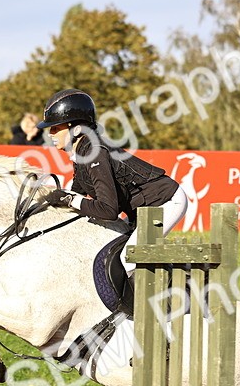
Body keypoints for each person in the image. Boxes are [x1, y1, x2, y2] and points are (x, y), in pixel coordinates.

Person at [36, 88, 186, 278]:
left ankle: (144, 307)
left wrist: (68, 199)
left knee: (127, 260)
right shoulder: (82, 153)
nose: (50, 133)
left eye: (56, 127)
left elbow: (108, 210)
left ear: (76, 129)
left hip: (165, 202)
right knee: (112, 249)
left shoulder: (95, 151)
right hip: (143, 209)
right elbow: (78, 195)